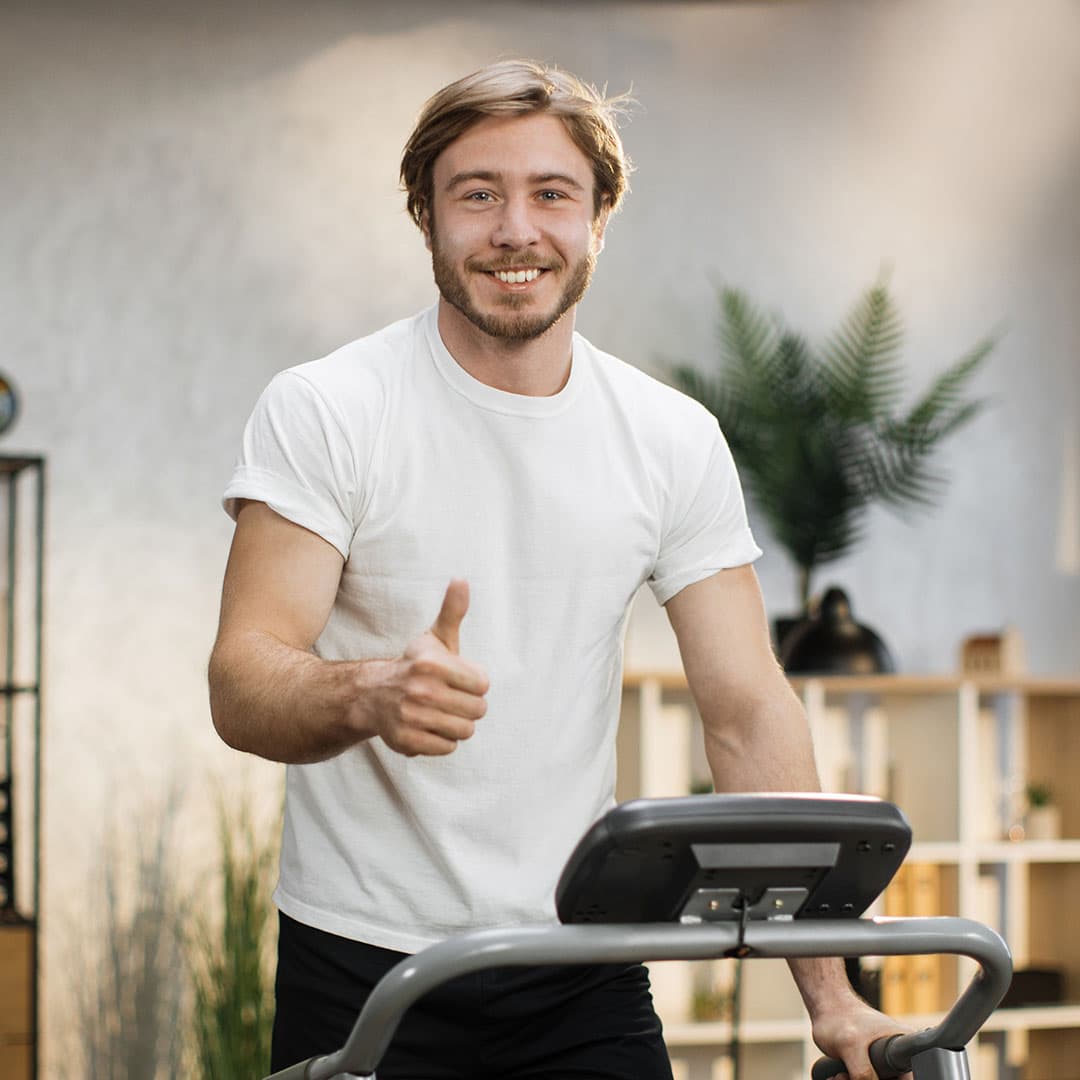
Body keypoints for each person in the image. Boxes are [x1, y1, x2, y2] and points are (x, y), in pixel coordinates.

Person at [210, 58, 905, 1080]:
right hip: (365, 958)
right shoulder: (329, 408)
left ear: (600, 218)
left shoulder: (670, 438)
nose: (514, 230)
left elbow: (749, 712)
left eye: (551, 195)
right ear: (426, 215)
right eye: (477, 194)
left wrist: (836, 1001)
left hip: (583, 957)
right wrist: (368, 694)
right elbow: (241, 678)